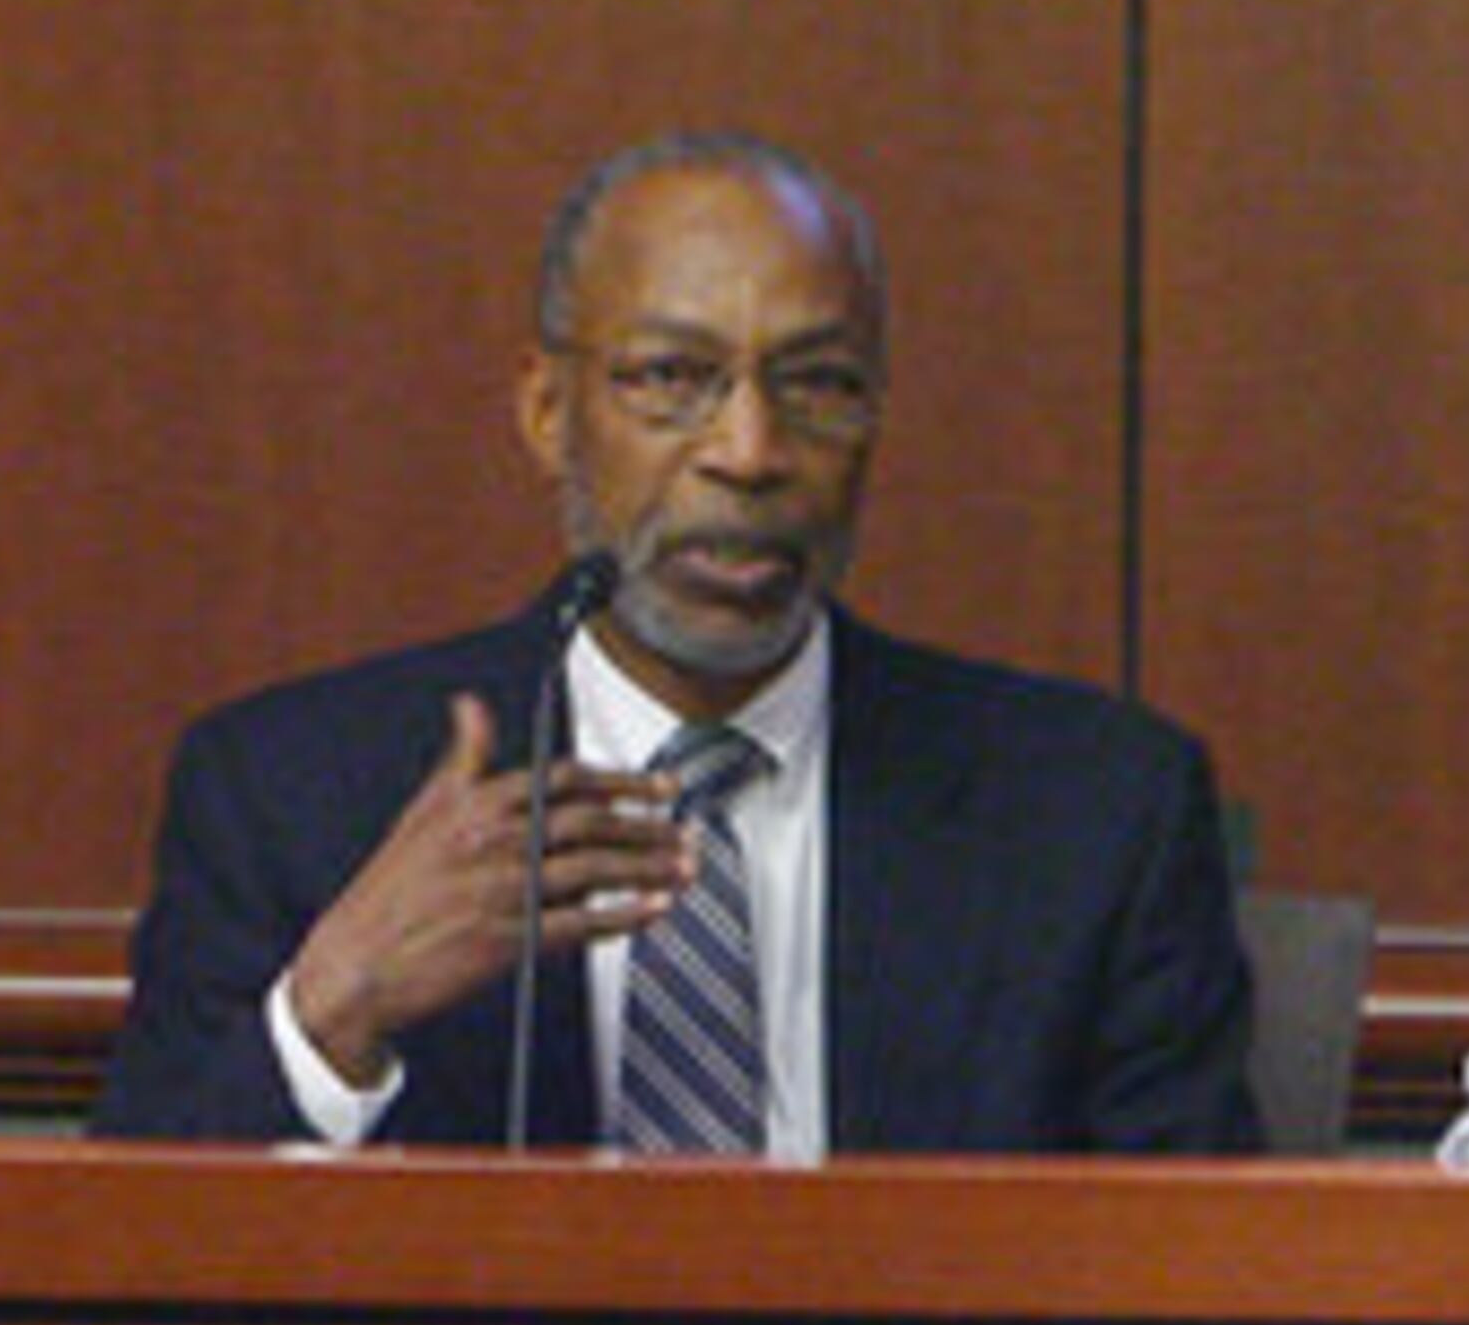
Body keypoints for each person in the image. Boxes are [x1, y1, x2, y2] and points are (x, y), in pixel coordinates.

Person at [93, 131, 1257, 1156]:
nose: (749, 451)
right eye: (672, 380)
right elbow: (124, 1260)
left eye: (817, 385)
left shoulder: (1094, 812)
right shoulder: (290, 794)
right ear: (550, 412)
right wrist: (334, 1005)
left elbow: (1201, 1275)